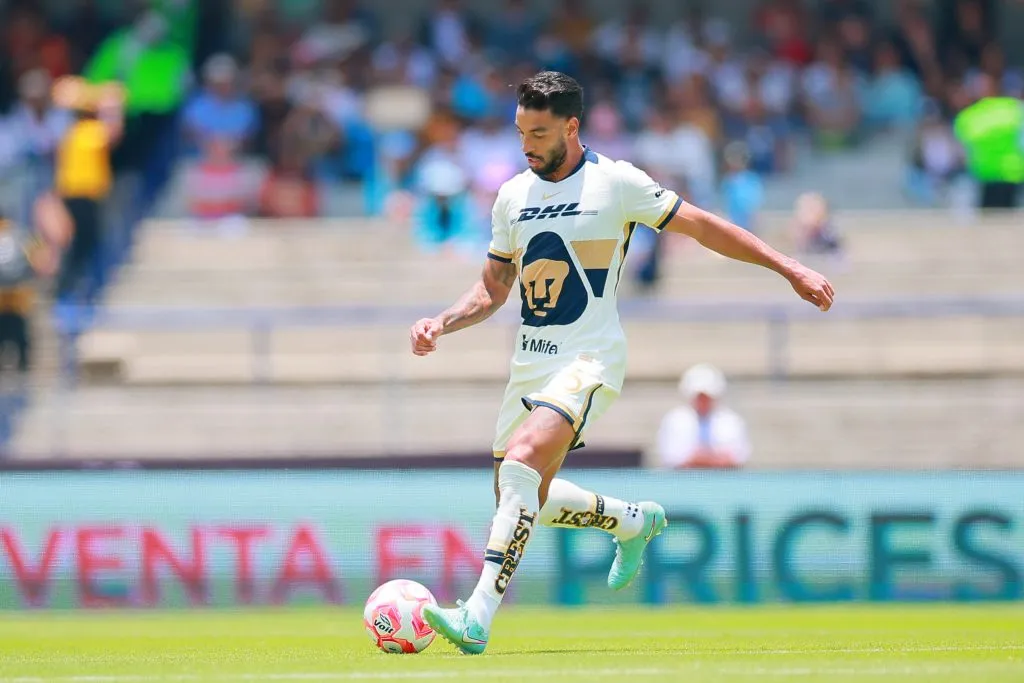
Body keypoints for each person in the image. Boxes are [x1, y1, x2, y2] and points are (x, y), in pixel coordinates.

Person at [407, 71, 834, 655]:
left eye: (538, 132)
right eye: (520, 131)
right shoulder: (512, 196)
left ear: (572, 126)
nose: (526, 144)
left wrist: (791, 268)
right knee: (519, 497)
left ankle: (476, 615)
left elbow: (705, 227)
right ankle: (630, 520)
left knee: (524, 461)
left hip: (590, 358)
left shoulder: (617, 183)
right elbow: (493, 289)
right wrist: (442, 322)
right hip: (529, 364)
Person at [654, 363, 751, 469]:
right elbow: (672, 456)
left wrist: (704, 459)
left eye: (707, 397)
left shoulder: (731, 421)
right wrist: (709, 459)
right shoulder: (675, 420)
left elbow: (739, 455)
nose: (703, 401)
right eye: (700, 396)